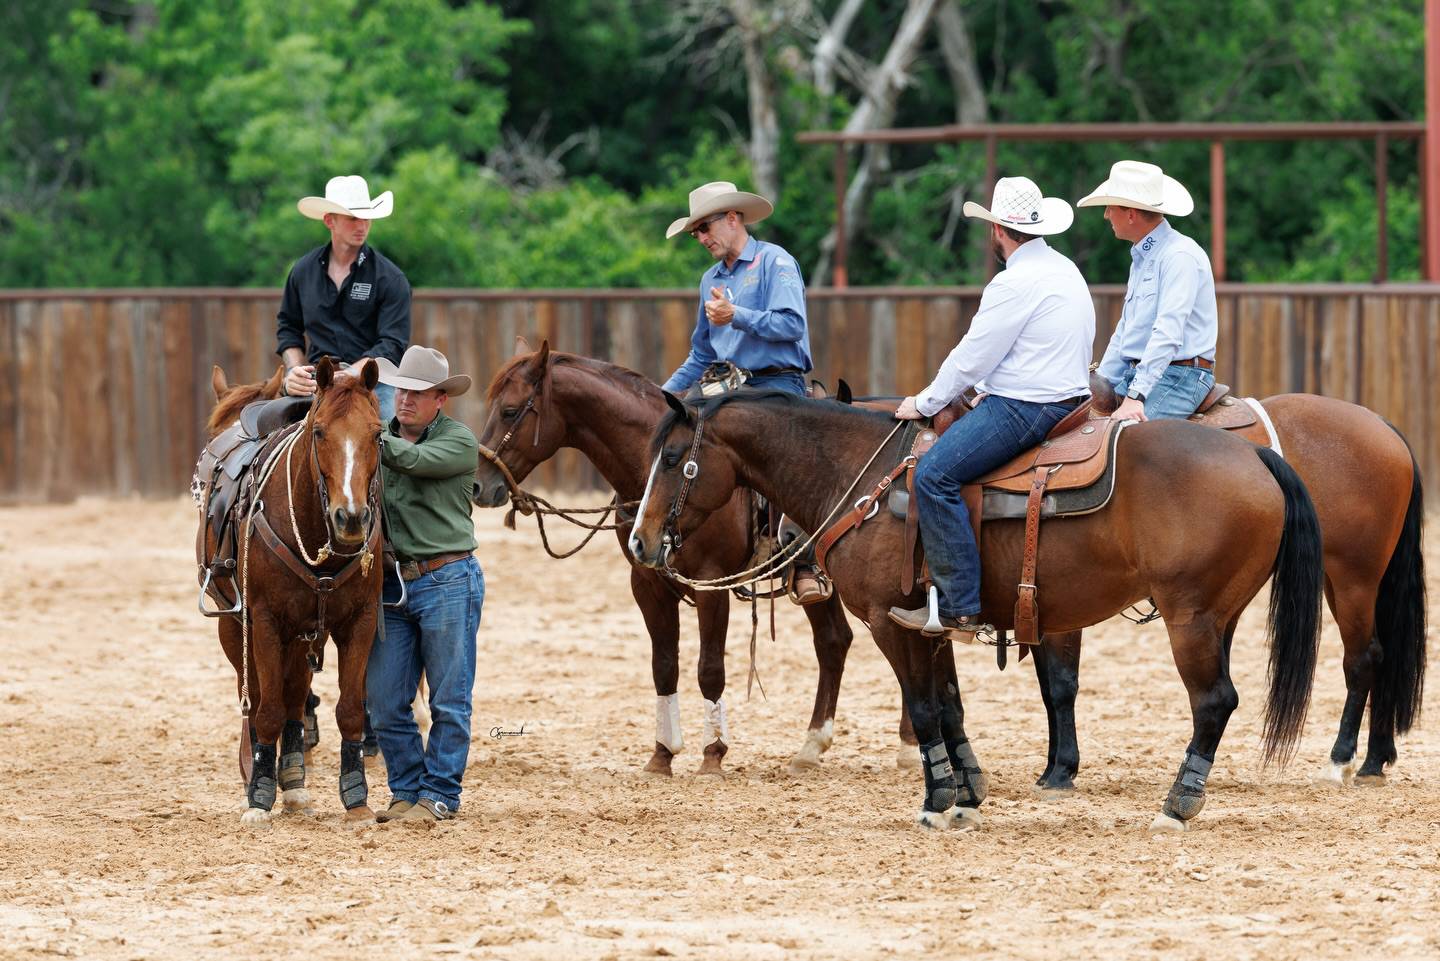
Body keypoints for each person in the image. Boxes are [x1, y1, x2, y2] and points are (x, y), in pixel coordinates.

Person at [888, 177, 1095, 644]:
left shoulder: (1013, 282)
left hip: (1026, 406)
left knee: (933, 475)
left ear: (998, 230)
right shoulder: (1064, 268)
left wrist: (925, 402)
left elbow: (972, 355)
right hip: (1067, 399)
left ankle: (961, 608)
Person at [663, 180, 825, 604]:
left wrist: (737, 315)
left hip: (776, 382)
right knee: (675, 442)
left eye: (704, 228)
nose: (700, 238)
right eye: (695, 232)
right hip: (722, 385)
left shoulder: (775, 262)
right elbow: (700, 353)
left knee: (784, 461)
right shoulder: (709, 280)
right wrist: (661, 398)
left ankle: (801, 560)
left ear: (732, 218)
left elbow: (792, 326)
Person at [367, 345, 484, 822]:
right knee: (385, 700)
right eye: (401, 391)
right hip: (394, 584)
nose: (406, 400)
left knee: (449, 698)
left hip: (448, 578)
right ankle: (407, 790)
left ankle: (439, 794)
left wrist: (363, 432)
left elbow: (412, 461)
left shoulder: (458, 442)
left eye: (419, 393)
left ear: (441, 400)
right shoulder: (383, 438)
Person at [1078, 160, 1217, 422]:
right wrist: (1101, 381)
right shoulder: (1146, 256)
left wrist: (1136, 395)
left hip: (1181, 377)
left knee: (1126, 442)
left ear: (1131, 213)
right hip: (1148, 373)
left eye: (1110, 207)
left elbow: (1169, 331)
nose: (1106, 214)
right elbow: (1127, 331)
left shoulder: (1179, 256)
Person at [277, 174, 412, 424]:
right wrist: (294, 371)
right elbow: (288, 328)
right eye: (352, 218)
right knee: (264, 437)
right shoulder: (302, 271)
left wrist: (350, 375)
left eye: (366, 217)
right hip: (317, 382)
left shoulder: (391, 278)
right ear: (330, 220)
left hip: (374, 385)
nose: (362, 225)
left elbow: (392, 344)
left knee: (393, 444)